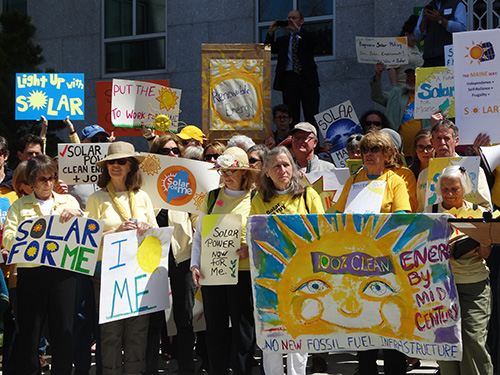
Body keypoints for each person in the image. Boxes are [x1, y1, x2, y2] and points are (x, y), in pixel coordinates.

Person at [334, 131, 411, 374]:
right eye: (366, 150)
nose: (369, 154)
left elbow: (403, 217)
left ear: (388, 154)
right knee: (363, 322)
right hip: (356, 263)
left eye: (375, 149)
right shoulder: (354, 179)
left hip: (386, 263)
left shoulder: (395, 181)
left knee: (390, 322)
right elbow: (335, 215)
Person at [2, 154, 83, 375]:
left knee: (63, 332)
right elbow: (8, 237)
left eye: (51, 178)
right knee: (30, 333)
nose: (48, 183)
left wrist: (80, 214)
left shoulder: (69, 201)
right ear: (31, 181)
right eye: (41, 179)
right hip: (31, 274)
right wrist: (29, 233)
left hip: (63, 274)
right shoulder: (19, 206)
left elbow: (87, 233)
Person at [250, 146, 324, 375]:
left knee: (299, 328)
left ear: (294, 169)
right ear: (267, 173)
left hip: (303, 274)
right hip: (269, 274)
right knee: (271, 329)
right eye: (276, 166)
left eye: (286, 165)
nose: (282, 170)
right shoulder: (260, 199)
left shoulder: (308, 195)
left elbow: (323, 229)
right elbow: (253, 232)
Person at [85, 141, 157, 375]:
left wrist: (147, 229)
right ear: (105, 167)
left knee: (138, 332)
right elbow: (88, 241)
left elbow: (157, 235)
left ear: (130, 166)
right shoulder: (96, 199)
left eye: (121, 161)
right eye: (111, 162)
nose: (115, 165)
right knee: (111, 333)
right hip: (108, 274)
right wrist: (115, 233)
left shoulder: (143, 197)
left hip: (139, 274)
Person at [191, 147, 257, 375]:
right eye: (222, 171)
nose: (226, 175)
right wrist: (194, 264)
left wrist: (251, 248)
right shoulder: (211, 197)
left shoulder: (256, 197)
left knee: (243, 330)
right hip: (213, 272)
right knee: (215, 329)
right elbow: (199, 234)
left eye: (231, 171)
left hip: (244, 273)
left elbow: (263, 233)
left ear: (243, 173)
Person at [424, 165, 493, 375]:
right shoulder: (431, 212)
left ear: (464, 188)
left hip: (473, 283)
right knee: (446, 342)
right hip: (441, 288)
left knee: (473, 339)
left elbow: (485, 255)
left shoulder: (479, 212)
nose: (449, 194)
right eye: (445, 189)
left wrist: (484, 241)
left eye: (454, 189)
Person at [147, 134, 198, 375]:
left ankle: (186, 366)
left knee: (184, 317)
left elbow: (197, 217)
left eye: (175, 151)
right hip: (154, 257)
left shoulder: (189, 181)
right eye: (165, 152)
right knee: (153, 318)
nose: (171, 155)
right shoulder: (145, 184)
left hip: (183, 255)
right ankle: (150, 365)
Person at [416, 119, 492, 212]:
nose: (443, 143)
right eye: (438, 139)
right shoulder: (424, 175)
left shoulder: (475, 170)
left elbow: (486, 208)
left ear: (456, 141)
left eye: (447, 138)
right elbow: (421, 211)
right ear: (432, 142)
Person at [265, 10, 320, 129]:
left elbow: (315, 42)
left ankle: (313, 145)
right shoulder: (282, 40)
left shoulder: (307, 36)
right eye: (288, 18)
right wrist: (270, 32)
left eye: (294, 18)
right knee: (292, 115)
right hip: (289, 80)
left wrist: (298, 30)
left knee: (311, 114)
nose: (290, 21)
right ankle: (293, 144)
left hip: (307, 80)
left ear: (301, 21)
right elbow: (267, 49)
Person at [371, 63, 431, 157]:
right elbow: (377, 96)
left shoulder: (432, 98)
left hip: (423, 153)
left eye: (415, 76)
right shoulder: (396, 94)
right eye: (409, 76)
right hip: (397, 154)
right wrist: (378, 76)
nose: (411, 78)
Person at [414, 0, 467, 67]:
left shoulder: (457, 5)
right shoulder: (428, 7)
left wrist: (440, 20)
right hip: (429, 57)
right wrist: (424, 19)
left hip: (448, 56)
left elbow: (461, 28)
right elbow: (417, 36)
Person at [387, 15, 424, 87]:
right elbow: (391, 68)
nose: (417, 38)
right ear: (407, 34)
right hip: (403, 90)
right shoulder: (397, 47)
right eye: (415, 35)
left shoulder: (415, 47)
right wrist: (395, 89)